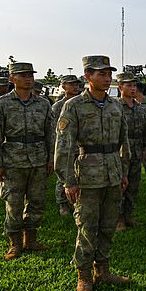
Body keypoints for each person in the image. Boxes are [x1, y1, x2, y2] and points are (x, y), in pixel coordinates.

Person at [54, 55, 130, 291]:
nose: (107, 79)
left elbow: (123, 142)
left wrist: (123, 172)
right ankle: (84, 276)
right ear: (88, 76)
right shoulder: (74, 106)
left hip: (112, 174)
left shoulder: (115, 105)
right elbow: (64, 146)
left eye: (109, 74)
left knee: (108, 226)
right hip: (86, 175)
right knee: (87, 227)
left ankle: (103, 271)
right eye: (101, 74)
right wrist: (68, 180)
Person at [0, 62, 54, 259]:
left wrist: (51, 158)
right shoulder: (0, 104)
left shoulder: (43, 104)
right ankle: (15, 243)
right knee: (13, 203)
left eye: (30, 75)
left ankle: (30, 239)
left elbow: (50, 134)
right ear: (11, 79)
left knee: (37, 202)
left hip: (39, 159)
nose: (28, 78)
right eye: (23, 75)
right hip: (12, 162)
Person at [116, 73, 146, 231]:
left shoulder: (140, 108)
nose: (133, 88)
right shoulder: (115, 107)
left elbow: (145, 131)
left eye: (134, 85)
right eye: (129, 85)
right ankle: (118, 219)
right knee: (121, 185)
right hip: (122, 151)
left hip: (137, 150)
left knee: (133, 185)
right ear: (120, 87)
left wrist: (144, 148)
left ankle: (128, 215)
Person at [51, 74, 83, 216]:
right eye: (71, 84)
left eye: (76, 84)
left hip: (80, 147)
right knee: (63, 175)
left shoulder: (81, 104)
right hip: (64, 147)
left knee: (80, 175)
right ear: (63, 87)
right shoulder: (58, 106)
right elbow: (54, 129)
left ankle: (78, 202)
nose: (75, 87)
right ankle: (62, 204)